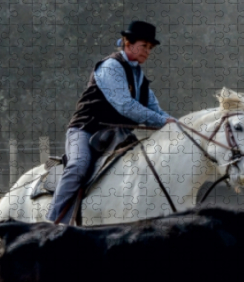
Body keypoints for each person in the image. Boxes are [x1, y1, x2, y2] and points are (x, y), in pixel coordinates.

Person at [47, 21, 175, 224]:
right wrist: (163, 121)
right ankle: (52, 224)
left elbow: (157, 111)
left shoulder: (140, 76)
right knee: (79, 166)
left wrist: (180, 125)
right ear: (128, 43)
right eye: (144, 46)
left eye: (150, 48)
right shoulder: (111, 66)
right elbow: (125, 105)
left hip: (117, 135)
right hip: (85, 131)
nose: (148, 52)